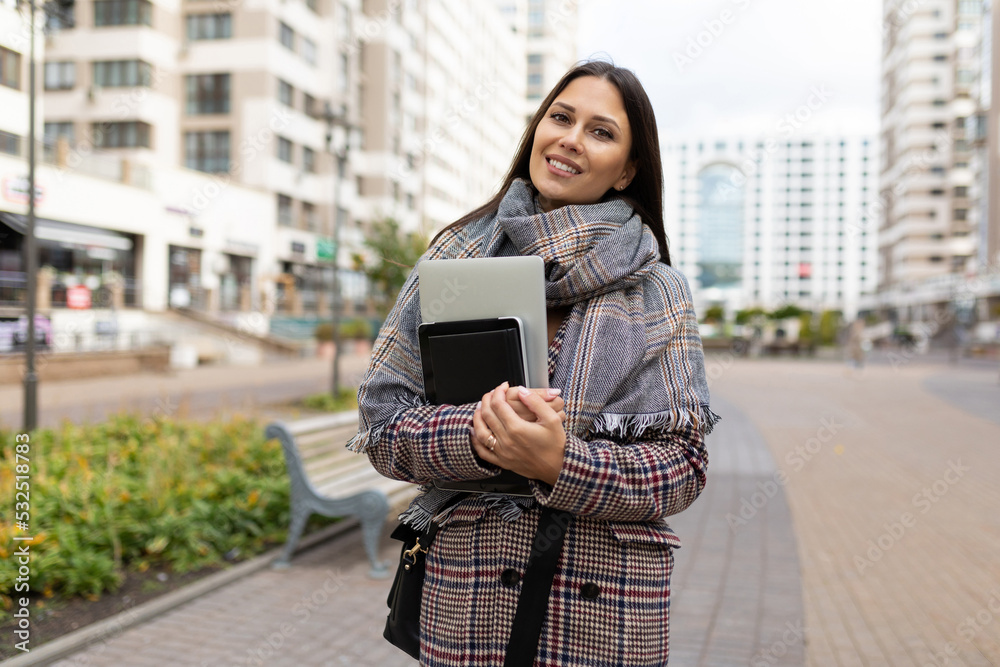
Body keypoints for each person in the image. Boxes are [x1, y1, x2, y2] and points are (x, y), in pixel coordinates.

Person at [350, 60, 716, 666]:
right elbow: (382, 424)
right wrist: (476, 433)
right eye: (561, 117)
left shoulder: (657, 291)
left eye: (601, 131)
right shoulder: (456, 256)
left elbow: (682, 468)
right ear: (537, 130)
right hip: (469, 600)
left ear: (628, 168)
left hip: (603, 609)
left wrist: (560, 461)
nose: (571, 138)